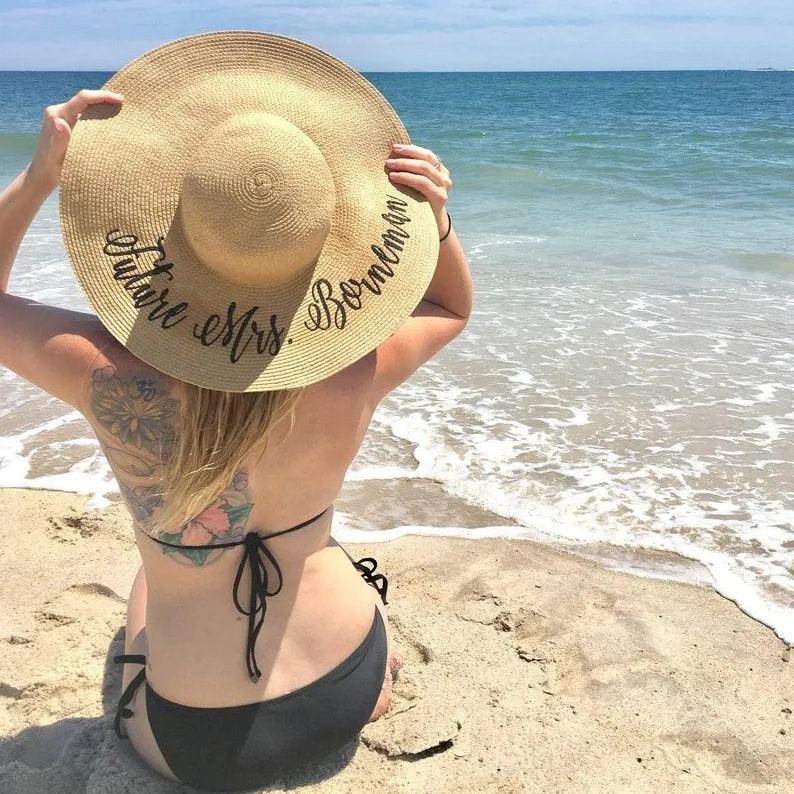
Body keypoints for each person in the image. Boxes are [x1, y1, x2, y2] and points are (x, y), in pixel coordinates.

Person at [0, 33, 472, 793]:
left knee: (154, 582)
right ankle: (366, 692)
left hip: (200, 740)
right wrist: (435, 224)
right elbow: (449, 307)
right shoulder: (354, 370)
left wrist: (35, 181)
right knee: (316, 545)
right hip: (350, 678)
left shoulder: (108, 377)